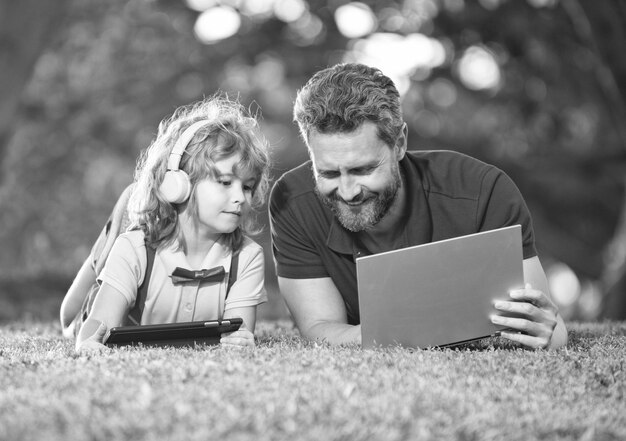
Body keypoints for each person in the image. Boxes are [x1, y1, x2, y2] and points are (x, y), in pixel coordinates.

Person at [269, 63, 567, 349]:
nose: (348, 192)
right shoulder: (292, 202)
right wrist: (413, 332)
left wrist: (544, 331)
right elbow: (320, 329)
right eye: (329, 173)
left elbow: (546, 328)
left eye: (363, 170)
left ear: (399, 143)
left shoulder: (483, 191)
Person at [68, 95, 270, 352]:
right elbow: (99, 324)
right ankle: (108, 241)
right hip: (96, 301)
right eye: (225, 182)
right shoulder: (136, 249)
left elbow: (239, 333)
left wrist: (241, 342)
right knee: (71, 315)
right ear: (178, 184)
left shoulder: (247, 256)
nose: (241, 197)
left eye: (248, 186)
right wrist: (88, 342)